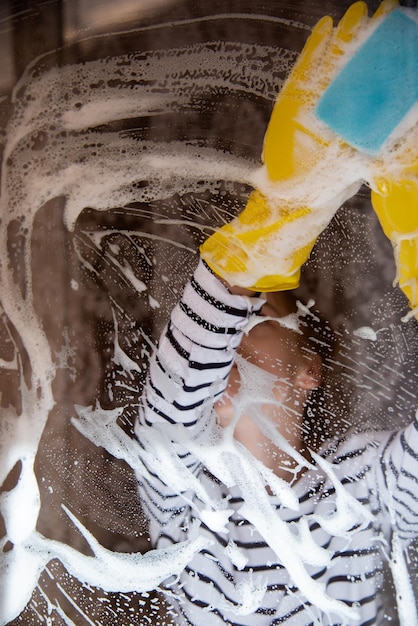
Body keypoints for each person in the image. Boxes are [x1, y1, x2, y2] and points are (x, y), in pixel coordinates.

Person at [134, 2, 418, 624]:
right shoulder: (187, 491)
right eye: (230, 321)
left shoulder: (362, 478)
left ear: (307, 368)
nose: (227, 339)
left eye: (255, 316)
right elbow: (176, 395)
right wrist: (278, 222)